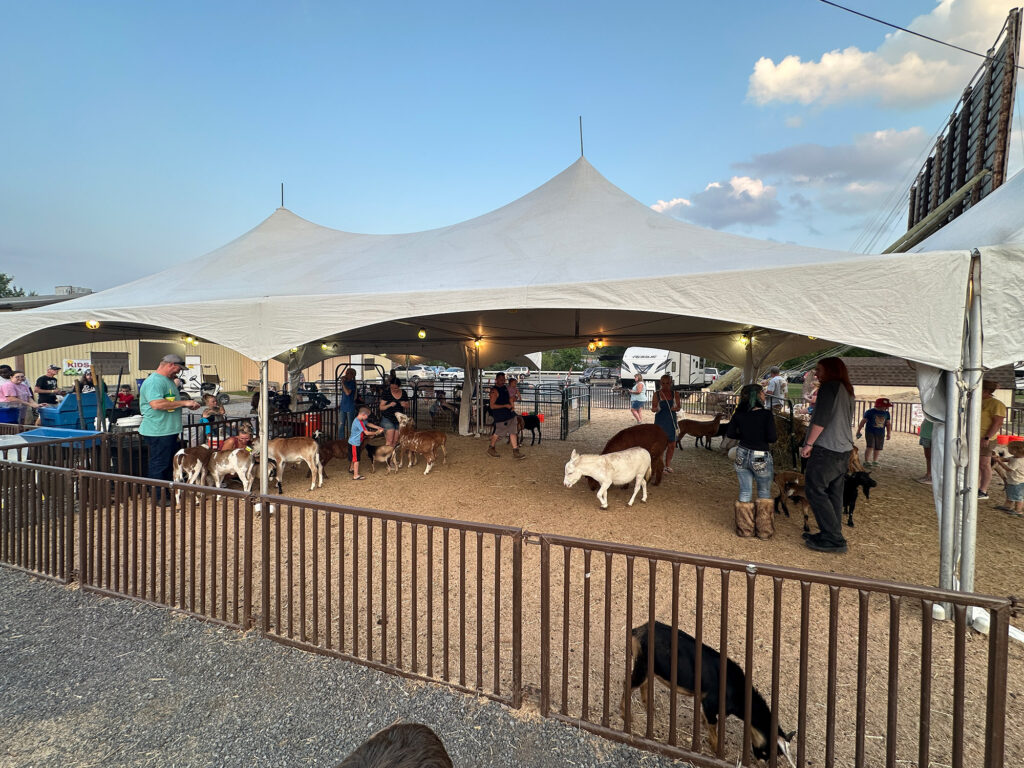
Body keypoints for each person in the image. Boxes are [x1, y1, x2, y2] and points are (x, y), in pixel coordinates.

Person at [799, 357, 855, 554]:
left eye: (819, 370)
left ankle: (833, 537)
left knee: (815, 489)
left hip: (827, 448)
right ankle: (830, 531)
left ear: (830, 371)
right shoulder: (846, 389)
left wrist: (808, 444)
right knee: (834, 492)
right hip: (844, 448)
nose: (816, 374)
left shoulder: (829, 388)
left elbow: (821, 419)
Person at [139, 354, 200, 492]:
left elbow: (169, 402)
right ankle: (158, 496)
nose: (179, 372)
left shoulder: (168, 380)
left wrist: (184, 405)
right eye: (178, 368)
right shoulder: (154, 381)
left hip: (168, 430)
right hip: (158, 431)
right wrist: (185, 402)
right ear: (171, 364)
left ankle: (166, 492)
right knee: (159, 464)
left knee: (167, 463)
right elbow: (156, 404)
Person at [726, 383, 778, 539]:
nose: (764, 395)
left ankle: (745, 529)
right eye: (762, 393)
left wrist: (744, 434)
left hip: (742, 453)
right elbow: (772, 438)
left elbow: (730, 433)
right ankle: (764, 531)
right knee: (763, 491)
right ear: (758, 395)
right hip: (760, 454)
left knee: (745, 490)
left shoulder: (739, 414)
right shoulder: (766, 415)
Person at [977, 378, 1007, 500]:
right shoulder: (976, 401)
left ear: (985, 391)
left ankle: (983, 490)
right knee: (977, 463)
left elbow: (998, 423)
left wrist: (987, 437)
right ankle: (976, 486)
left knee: (984, 464)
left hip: (985, 437)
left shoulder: (996, 404)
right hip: (975, 436)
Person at [487, 372, 525, 459]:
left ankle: (516, 451)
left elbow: (508, 398)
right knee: (498, 433)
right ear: (496, 380)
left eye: (504, 379)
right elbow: (492, 406)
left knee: (513, 431)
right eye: (501, 379)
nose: (503, 381)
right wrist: (505, 405)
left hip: (510, 414)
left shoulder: (505, 388)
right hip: (501, 416)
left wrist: (513, 399)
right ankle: (491, 447)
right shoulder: (494, 391)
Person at [651, 374, 681, 472]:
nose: (665, 385)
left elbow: (679, 407)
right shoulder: (657, 394)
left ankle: (668, 465)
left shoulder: (675, 394)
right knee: (661, 445)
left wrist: (675, 408)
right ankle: (661, 466)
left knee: (672, 445)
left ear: (671, 383)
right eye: (663, 383)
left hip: (671, 421)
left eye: (667, 383)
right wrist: (656, 408)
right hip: (660, 422)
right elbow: (653, 408)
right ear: (660, 383)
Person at [348, 405, 384, 480]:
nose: (367, 417)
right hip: (355, 443)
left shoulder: (360, 420)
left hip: (354, 442)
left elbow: (368, 424)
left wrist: (378, 427)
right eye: (367, 416)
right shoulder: (359, 422)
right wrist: (376, 433)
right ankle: (356, 475)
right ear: (363, 414)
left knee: (354, 457)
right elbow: (367, 433)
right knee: (356, 459)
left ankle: (351, 468)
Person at [856, 397, 892, 468]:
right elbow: (863, 421)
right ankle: (867, 461)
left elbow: (888, 423)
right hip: (870, 432)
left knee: (878, 447)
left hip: (881, 433)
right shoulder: (870, 412)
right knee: (870, 446)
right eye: (885, 406)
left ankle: (875, 461)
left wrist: (888, 433)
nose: (886, 408)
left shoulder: (887, 413)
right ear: (879, 405)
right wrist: (859, 430)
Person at [993, 441, 1024, 517]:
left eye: (1009, 448)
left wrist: (999, 461)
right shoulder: (1014, 458)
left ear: (1015, 450)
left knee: (1018, 497)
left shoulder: (1018, 461)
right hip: (1012, 480)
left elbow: (1008, 468)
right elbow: (1006, 459)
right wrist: (999, 458)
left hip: (1017, 481)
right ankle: (1007, 506)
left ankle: (1018, 510)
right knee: (1010, 494)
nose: (1008, 450)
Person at [379, 378, 409, 447]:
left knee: (395, 441)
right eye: (391, 387)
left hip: (398, 419)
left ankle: (392, 456)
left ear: (399, 386)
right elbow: (381, 407)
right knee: (389, 441)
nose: (393, 389)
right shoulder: (386, 393)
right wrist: (389, 405)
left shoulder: (403, 393)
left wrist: (405, 405)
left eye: (395, 388)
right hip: (388, 418)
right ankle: (387, 456)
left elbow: (408, 405)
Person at [337, 367, 358, 441]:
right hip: (343, 406)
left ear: (352, 375)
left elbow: (347, 392)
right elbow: (344, 395)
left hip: (350, 406)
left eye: (348, 373)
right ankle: (341, 440)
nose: (347, 375)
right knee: (341, 425)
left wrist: (343, 383)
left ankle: (351, 440)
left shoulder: (352, 383)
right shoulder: (346, 383)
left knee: (350, 426)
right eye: (347, 373)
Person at [917, 418, 934, 484]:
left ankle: (930, 474)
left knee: (930, 456)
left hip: (929, 435)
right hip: (926, 434)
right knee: (928, 456)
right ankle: (929, 473)